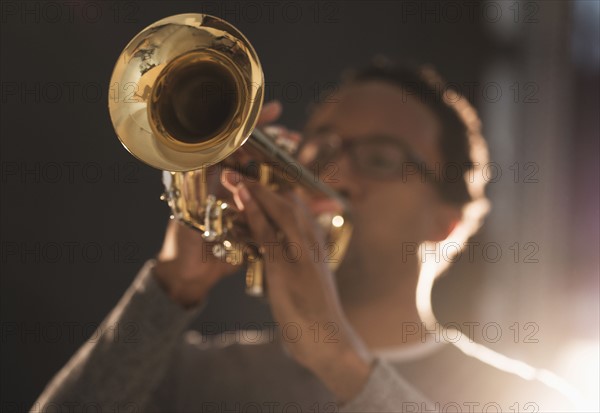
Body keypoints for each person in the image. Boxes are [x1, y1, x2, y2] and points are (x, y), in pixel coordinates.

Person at [32, 60, 574, 412]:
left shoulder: (527, 399)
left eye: (381, 159)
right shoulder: (196, 378)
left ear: (447, 221)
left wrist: (342, 363)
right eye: (321, 149)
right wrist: (171, 286)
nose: (334, 176)